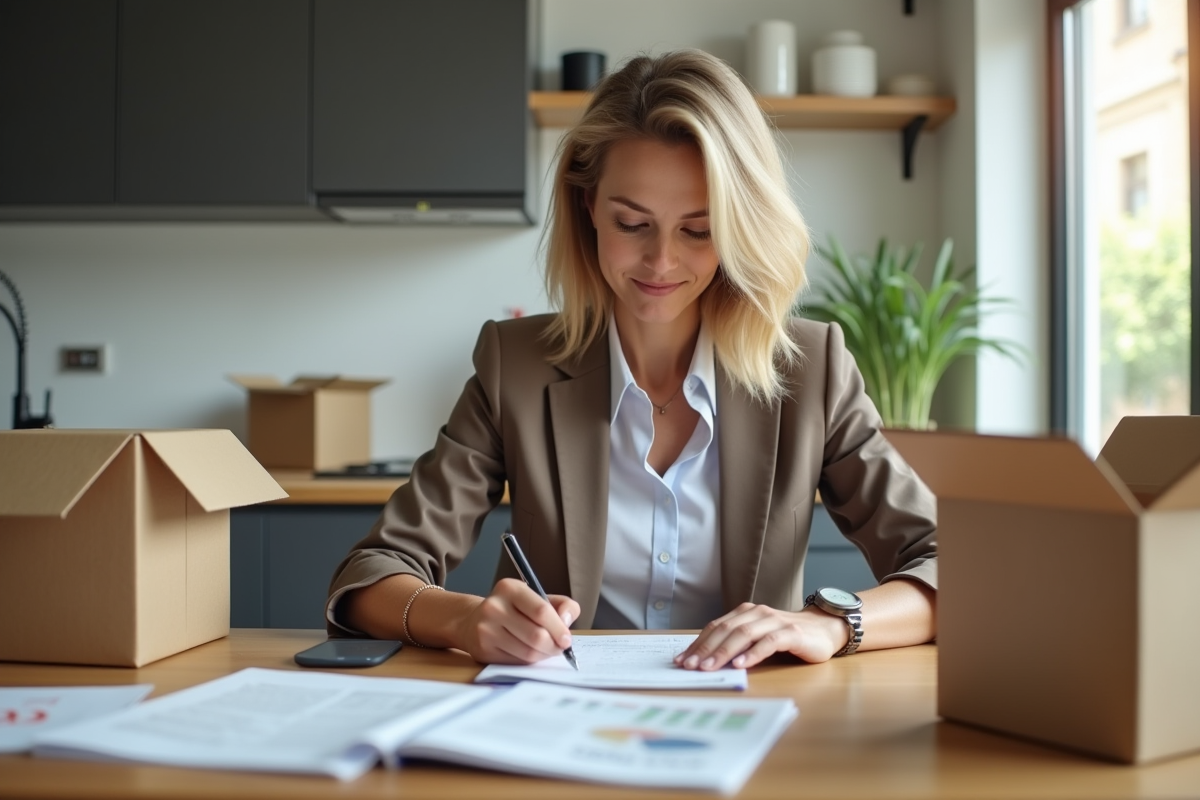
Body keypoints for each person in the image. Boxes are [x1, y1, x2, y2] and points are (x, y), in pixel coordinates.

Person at [326, 49, 937, 671]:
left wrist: (833, 623)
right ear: (588, 205)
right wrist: (465, 617)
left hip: (747, 722)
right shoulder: (516, 365)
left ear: (740, 228)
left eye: (698, 230)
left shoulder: (811, 368)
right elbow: (371, 575)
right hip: (557, 716)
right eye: (632, 223)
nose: (661, 263)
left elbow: (948, 564)